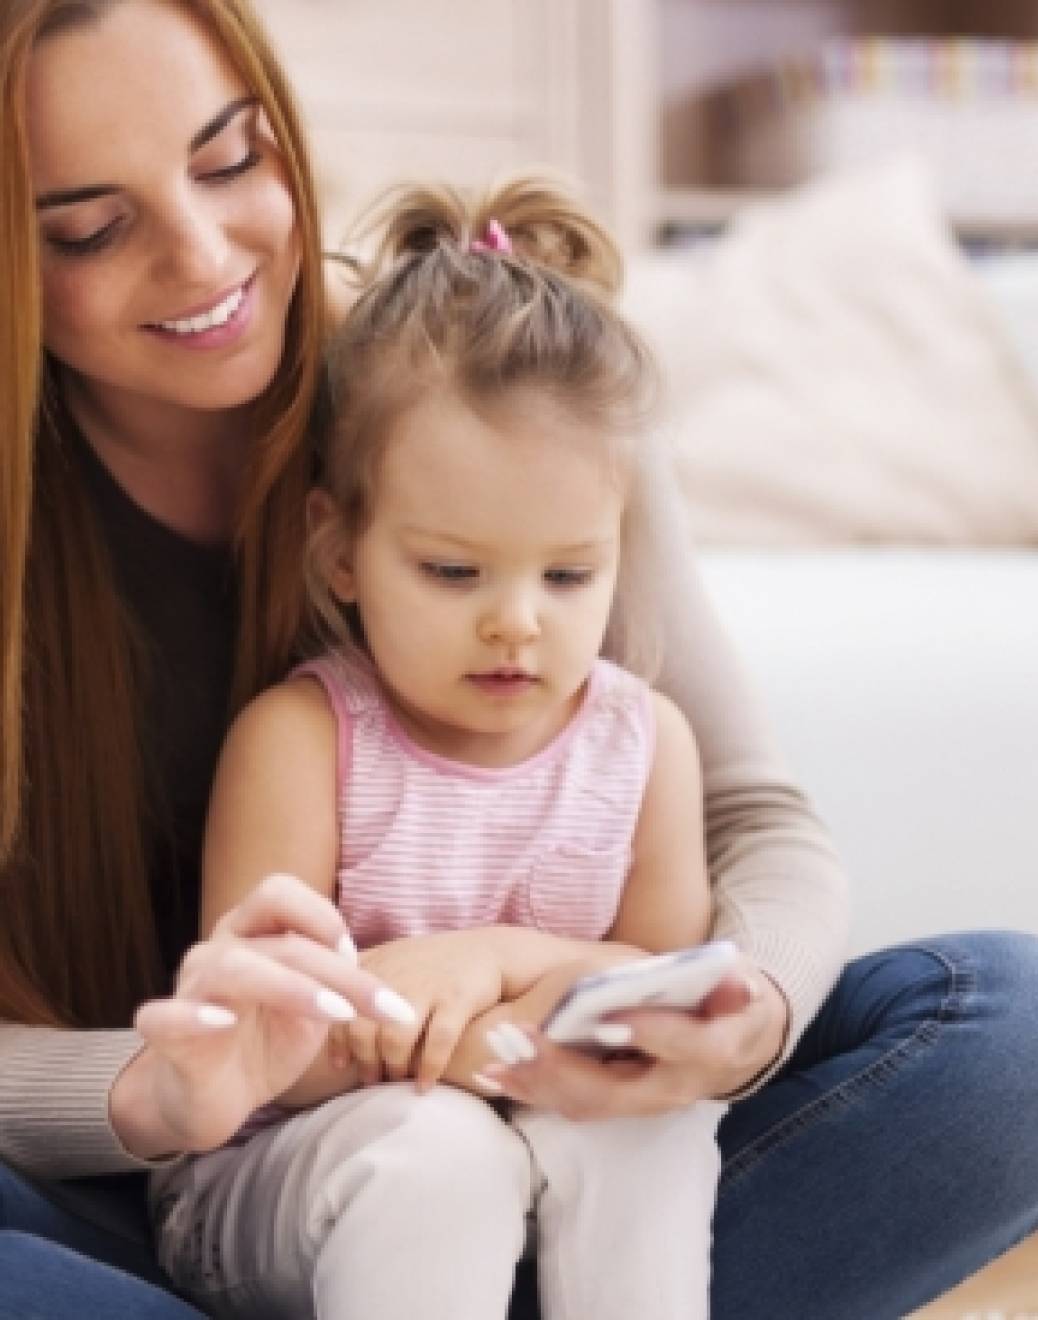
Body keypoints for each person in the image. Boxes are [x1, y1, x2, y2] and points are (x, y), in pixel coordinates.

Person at [0, 1, 1038, 1318]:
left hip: (551, 1151)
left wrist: (723, 1022)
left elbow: (751, 825)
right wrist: (148, 1090)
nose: (204, 255)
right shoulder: (236, 684)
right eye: (91, 226)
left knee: (1032, 1038)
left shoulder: (499, 383)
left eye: (229, 161)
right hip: (190, 1179)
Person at [150, 177, 728, 1320]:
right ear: (342, 554)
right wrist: (522, 1031)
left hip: (537, 1161)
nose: (518, 620)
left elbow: (665, 1011)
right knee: (442, 1155)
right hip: (288, 1181)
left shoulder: (643, 743)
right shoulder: (303, 741)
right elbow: (277, 1050)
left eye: (569, 575)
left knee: (651, 1123)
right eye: (454, 572)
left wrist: (488, 960)